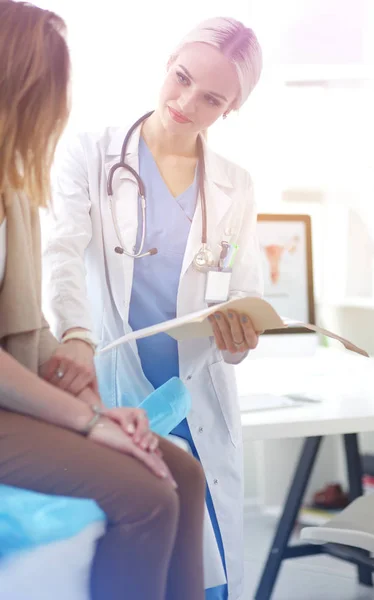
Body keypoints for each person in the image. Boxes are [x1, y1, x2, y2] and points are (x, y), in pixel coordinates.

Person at [43, 16, 264, 600]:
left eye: (211, 98)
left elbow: (244, 292)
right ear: (167, 63)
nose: (186, 102)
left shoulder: (234, 186)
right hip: (114, 386)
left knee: (208, 572)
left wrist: (240, 339)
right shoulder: (90, 155)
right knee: (134, 569)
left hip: (197, 400)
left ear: (231, 107)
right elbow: (60, 253)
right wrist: (74, 334)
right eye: (182, 78)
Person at [0, 3, 205, 600]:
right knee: (145, 496)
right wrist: (89, 422)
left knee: (183, 475)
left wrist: (95, 403)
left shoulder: (13, 188)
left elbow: (25, 325)